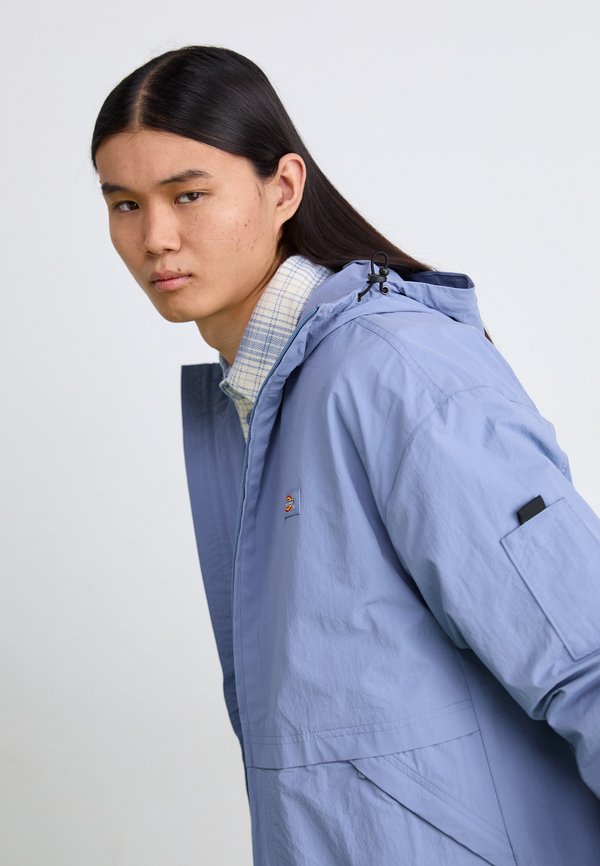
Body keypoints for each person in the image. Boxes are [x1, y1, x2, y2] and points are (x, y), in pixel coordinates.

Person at [91, 44, 600, 865]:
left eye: (188, 195)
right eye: (124, 204)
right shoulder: (259, 398)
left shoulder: (394, 372)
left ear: (283, 187)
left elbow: (585, 653)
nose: (155, 237)